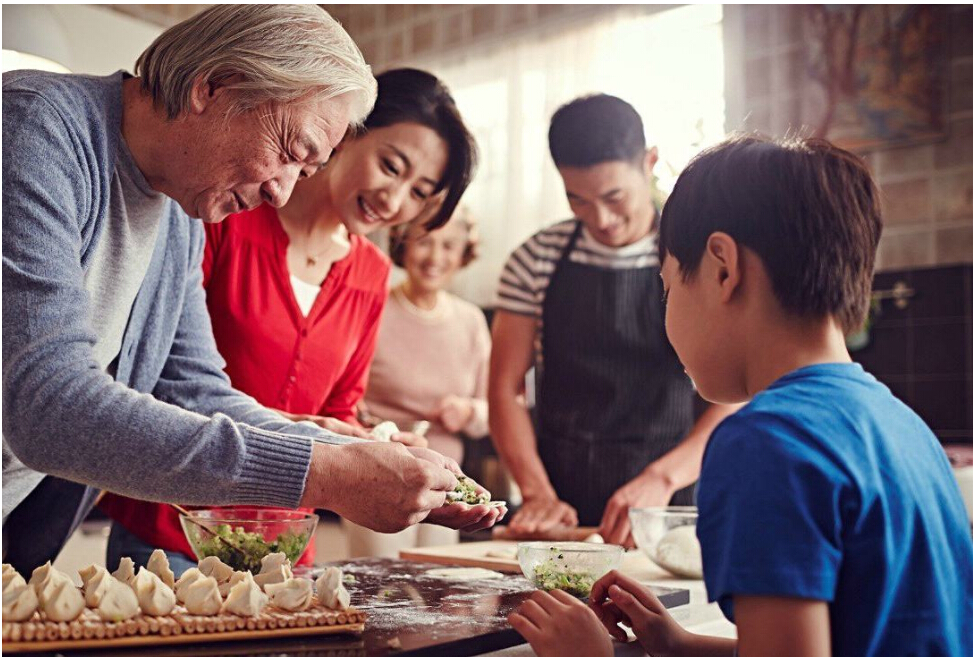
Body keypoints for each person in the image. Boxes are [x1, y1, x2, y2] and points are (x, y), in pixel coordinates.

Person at [1, 5, 499, 574]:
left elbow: (195, 390)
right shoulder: (32, 128)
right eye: (289, 151)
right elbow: (47, 406)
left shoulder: (181, 210)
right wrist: (326, 474)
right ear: (212, 86)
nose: (282, 193)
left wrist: (359, 456)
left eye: (304, 171)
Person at [509, 135, 973, 657]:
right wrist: (678, 645)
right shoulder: (904, 425)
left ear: (722, 268)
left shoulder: (766, 442)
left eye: (666, 289)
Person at [98, 68, 481, 574]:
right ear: (346, 132)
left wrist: (375, 446)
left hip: (287, 545)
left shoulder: (372, 273)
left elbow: (340, 407)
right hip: (172, 532)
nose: (394, 199)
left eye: (419, 191)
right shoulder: (222, 210)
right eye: (391, 166)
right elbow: (168, 382)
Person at [490, 94, 738, 546]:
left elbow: (734, 393)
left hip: (670, 503)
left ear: (650, 162)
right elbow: (506, 388)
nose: (600, 219)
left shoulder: (695, 255)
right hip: (562, 504)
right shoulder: (535, 259)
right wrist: (537, 493)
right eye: (577, 200)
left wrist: (663, 478)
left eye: (613, 196)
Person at [345, 207, 491, 557]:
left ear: (463, 253)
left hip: (449, 488)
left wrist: (468, 411)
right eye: (424, 242)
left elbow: (491, 412)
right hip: (381, 477)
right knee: (380, 591)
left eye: (448, 246)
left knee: (440, 593)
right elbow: (345, 394)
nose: (434, 258)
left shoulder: (471, 321)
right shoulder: (374, 308)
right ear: (403, 245)